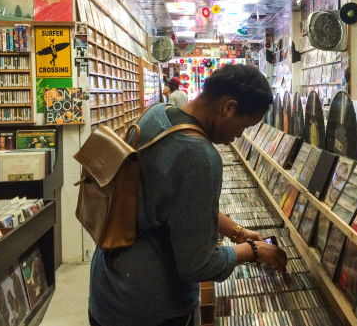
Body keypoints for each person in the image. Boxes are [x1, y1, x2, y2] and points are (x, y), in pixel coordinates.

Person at [89, 64, 287, 326]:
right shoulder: (200, 157)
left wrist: (236, 232)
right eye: (244, 125)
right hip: (152, 304)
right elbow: (198, 265)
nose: (239, 135)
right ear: (228, 107)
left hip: (109, 284)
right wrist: (252, 250)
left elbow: (175, 202)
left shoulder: (159, 113)